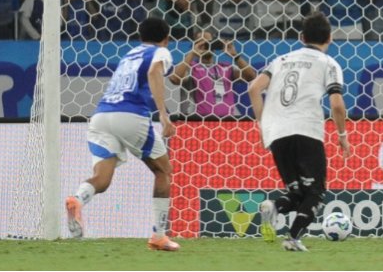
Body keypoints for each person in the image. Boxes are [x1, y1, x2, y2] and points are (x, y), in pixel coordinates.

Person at [64, 17, 181, 251]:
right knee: (163, 171)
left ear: (140, 37)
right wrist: (163, 114)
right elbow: (154, 72)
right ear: (166, 39)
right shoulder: (160, 52)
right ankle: (159, 235)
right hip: (130, 115)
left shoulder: (129, 54)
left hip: (100, 117)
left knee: (102, 179)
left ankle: (77, 199)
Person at [250, 13, 351, 252]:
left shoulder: (281, 59)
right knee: (315, 193)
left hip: (277, 132)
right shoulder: (329, 64)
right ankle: (293, 238)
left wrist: (262, 124)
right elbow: (337, 104)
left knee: (298, 193)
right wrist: (342, 135)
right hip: (306, 130)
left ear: (301, 37)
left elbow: (253, 88)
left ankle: (273, 207)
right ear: (330, 38)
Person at [167, 31, 257, 119]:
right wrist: (192, 53)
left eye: (209, 42)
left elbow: (251, 76)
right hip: (197, 122)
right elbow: (175, 79)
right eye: (201, 42)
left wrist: (235, 56)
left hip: (227, 122)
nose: (205, 45)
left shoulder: (225, 67)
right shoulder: (190, 67)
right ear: (194, 45)